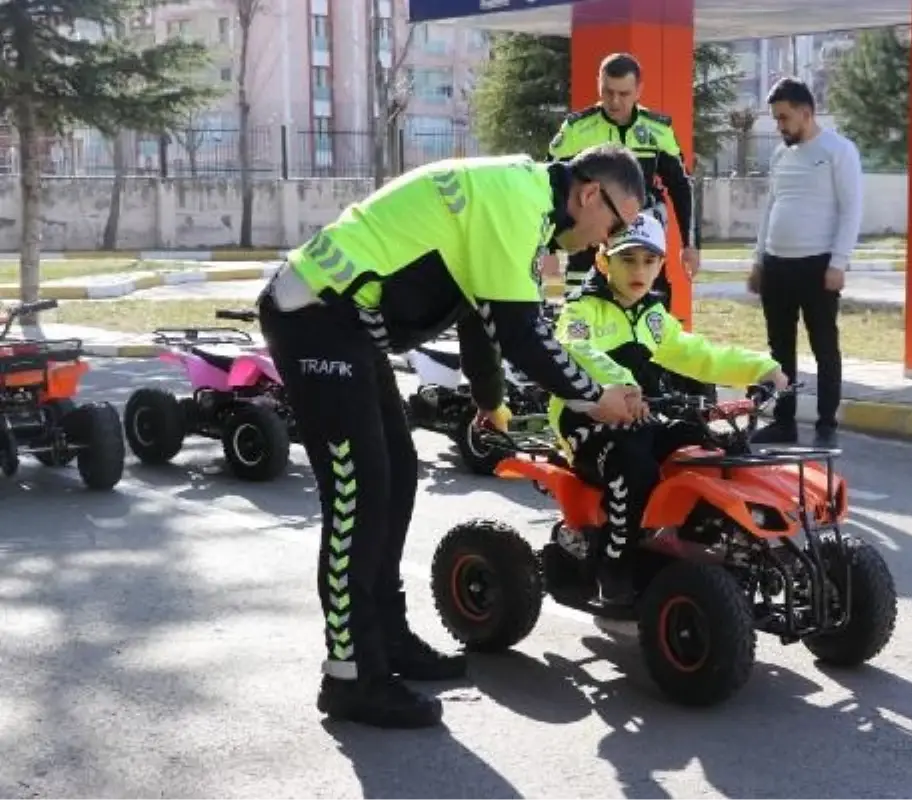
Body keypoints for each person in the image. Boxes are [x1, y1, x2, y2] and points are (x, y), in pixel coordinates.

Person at [256, 144, 648, 730]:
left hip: (344, 330)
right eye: (614, 223)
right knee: (358, 493)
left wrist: (489, 403)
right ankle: (349, 676)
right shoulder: (518, 201)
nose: (605, 241)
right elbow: (521, 335)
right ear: (591, 193)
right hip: (313, 313)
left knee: (397, 475)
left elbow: (479, 316)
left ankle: (385, 641)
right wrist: (595, 395)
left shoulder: (525, 203)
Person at [548, 211, 787, 604]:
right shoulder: (582, 309)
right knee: (635, 462)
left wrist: (760, 367)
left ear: (661, 264)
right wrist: (620, 380)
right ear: (603, 260)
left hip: (642, 415)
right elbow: (575, 348)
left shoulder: (653, 317)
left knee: (709, 447)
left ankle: (712, 546)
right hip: (586, 418)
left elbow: (698, 354)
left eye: (649, 260)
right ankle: (615, 567)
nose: (639, 270)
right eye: (627, 259)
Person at [748, 78, 863, 449]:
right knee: (779, 348)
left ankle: (826, 425)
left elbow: (851, 210)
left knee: (824, 346)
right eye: (776, 118)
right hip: (777, 266)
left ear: (806, 113)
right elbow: (771, 208)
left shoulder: (838, 150)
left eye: (784, 118)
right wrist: (759, 260)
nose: (779, 125)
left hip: (818, 266)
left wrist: (839, 262)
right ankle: (784, 422)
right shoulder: (781, 155)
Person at [546, 52, 699, 305]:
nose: (614, 101)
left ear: (639, 90)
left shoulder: (658, 129)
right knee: (579, 321)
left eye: (624, 94)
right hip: (587, 240)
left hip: (640, 242)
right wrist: (549, 256)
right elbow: (549, 191)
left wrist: (690, 244)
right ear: (599, 84)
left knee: (649, 321)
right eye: (607, 92)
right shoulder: (575, 129)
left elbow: (681, 186)